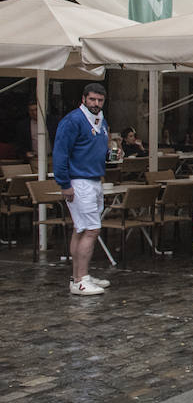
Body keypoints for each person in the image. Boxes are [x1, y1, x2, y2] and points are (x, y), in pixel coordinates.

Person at [53, 83, 112, 296]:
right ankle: (80, 279)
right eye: (93, 100)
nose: (96, 104)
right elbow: (60, 153)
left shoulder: (102, 121)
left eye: (100, 100)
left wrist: (112, 155)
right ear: (84, 99)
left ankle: (78, 275)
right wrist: (64, 184)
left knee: (81, 229)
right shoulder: (72, 121)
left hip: (94, 178)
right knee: (91, 229)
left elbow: (100, 149)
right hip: (79, 181)